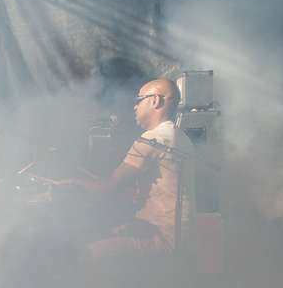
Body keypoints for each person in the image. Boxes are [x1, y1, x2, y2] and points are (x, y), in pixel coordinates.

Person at [56, 78, 196, 263]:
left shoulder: (152, 140)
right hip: (180, 235)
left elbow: (108, 187)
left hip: (160, 237)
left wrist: (72, 183)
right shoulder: (181, 137)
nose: (134, 107)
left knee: (83, 254)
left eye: (139, 100)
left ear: (155, 101)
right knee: (111, 231)